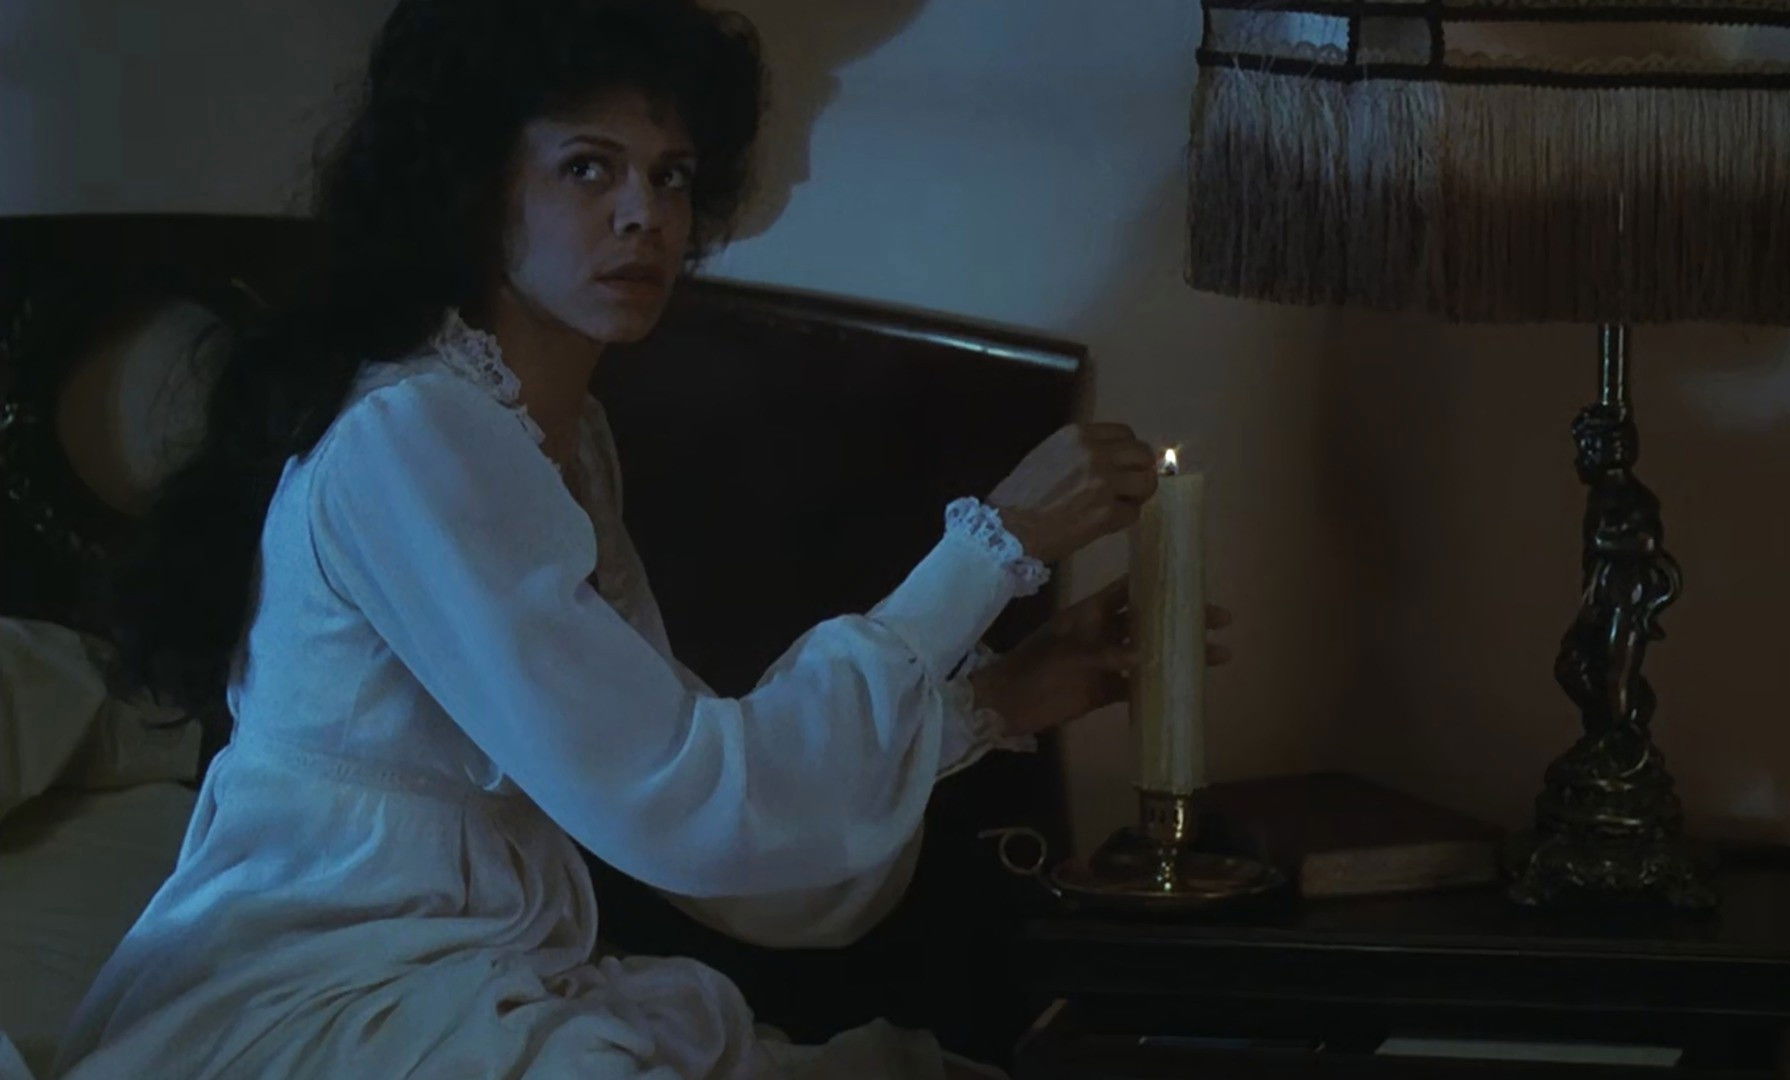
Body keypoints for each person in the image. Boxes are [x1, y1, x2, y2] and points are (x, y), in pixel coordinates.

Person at [55, 1, 1229, 1077]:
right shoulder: (412, 435)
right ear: (477, 188)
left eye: (671, 177)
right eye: (588, 167)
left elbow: (688, 788)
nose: (644, 215)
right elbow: (684, 801)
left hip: (484, 977)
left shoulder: (563, 440)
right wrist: (991, 547)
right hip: (329, 998)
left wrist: (993, 704)